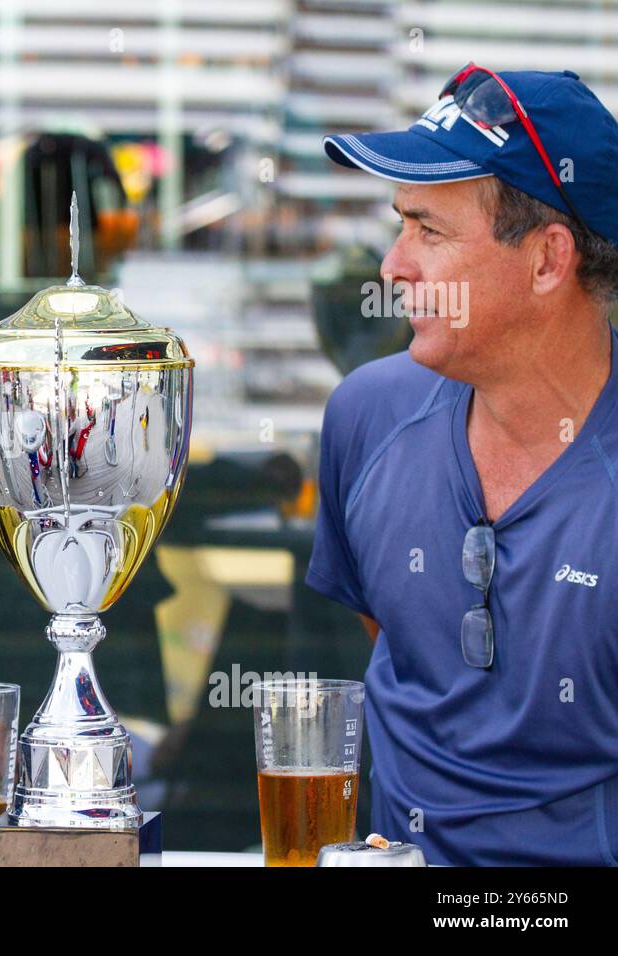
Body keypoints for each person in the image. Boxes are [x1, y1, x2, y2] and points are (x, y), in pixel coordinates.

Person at [309, 64, 618, 865]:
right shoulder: (365, 416)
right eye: (398, 224)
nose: (392, 267)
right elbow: (403, 644)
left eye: (429, 231)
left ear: (549, 260)